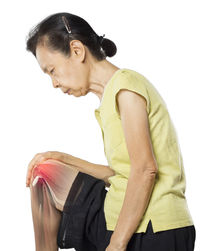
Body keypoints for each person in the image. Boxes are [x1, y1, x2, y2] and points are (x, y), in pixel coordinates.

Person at [25, 12, 196, 251]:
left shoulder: (126, 86)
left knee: (47, 173)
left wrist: (116, 244)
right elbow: (121, 174)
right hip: (124, 220)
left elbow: (145, 170)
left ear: (77, 50)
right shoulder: (109, 99)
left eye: (52, 70)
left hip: (154, 228)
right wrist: (62, 159)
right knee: (44, 173)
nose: (53, 83)